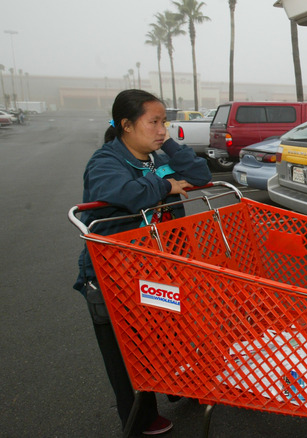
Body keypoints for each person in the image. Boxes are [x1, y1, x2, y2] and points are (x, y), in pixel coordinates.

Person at [73, 89, 211, 436]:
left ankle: (179, 383)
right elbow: (125, 194)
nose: (161, 128)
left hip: (158, 266)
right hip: (114, 273)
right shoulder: (106, 161)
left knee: (167, 329)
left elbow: (199, 173)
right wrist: (164, 185)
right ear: (126, 125)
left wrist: (169, 146)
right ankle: (139, 417)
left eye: (164, 121)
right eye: (154, 122)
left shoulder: (156, 156)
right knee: (126, 349)